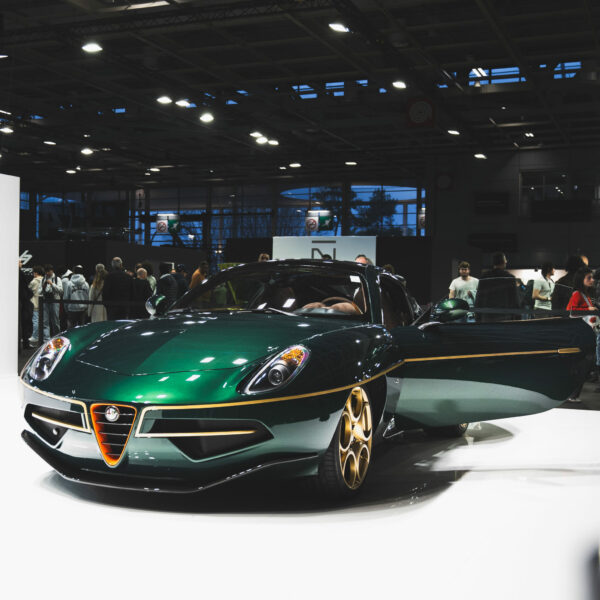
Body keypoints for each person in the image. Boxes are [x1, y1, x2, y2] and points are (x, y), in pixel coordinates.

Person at [566, 267, 597, 402]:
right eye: (588, 277)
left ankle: (573, 394)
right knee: (583, 363)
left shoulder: (584, 294)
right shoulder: (578, 294)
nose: (592, 280)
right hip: (580, 334)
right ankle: (573, 394)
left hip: (584, 333)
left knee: (585, 363)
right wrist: (587, 308)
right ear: (581, 279)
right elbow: (570, 310)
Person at [474, 252, 518, 322]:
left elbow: (479, 299)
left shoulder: (484, 277)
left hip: (487, 317)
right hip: (505, 317)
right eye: (505, 260)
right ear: (504, 262)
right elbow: (514, 300)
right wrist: (517, 318)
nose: (506, 261)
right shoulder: (510, 278)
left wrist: (478, 318)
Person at [39, 264, 63, 342]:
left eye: (48, 271)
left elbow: (61, 291)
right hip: (45, 301)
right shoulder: (43, 279)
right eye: (46, 271)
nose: (47, 273)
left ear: (52, 271)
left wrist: (52, 284)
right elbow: (39, 292)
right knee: (45, 321)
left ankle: (57, 338)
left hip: (55, 301)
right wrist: (44, 286)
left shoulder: (57, 279)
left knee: (55, 321)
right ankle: (46, 339)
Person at [19, 261, 33, 350]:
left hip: (22, 301)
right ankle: (25, 343)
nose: (21, 264)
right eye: (20, 262)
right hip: (23, 302)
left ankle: (25, 343)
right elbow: (24, 288)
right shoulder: (20, 273)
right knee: (24, 323)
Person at [28, 265, 44, 344]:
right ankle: (41, 337)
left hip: (35, 303)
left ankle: (35, 336)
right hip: (43, 303)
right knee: (43, 321)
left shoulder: (33, 281)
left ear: (36, 273)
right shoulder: (44, 280)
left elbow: (28, 290)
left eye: (33, 272)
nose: (33, 274)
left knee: (35, 321)